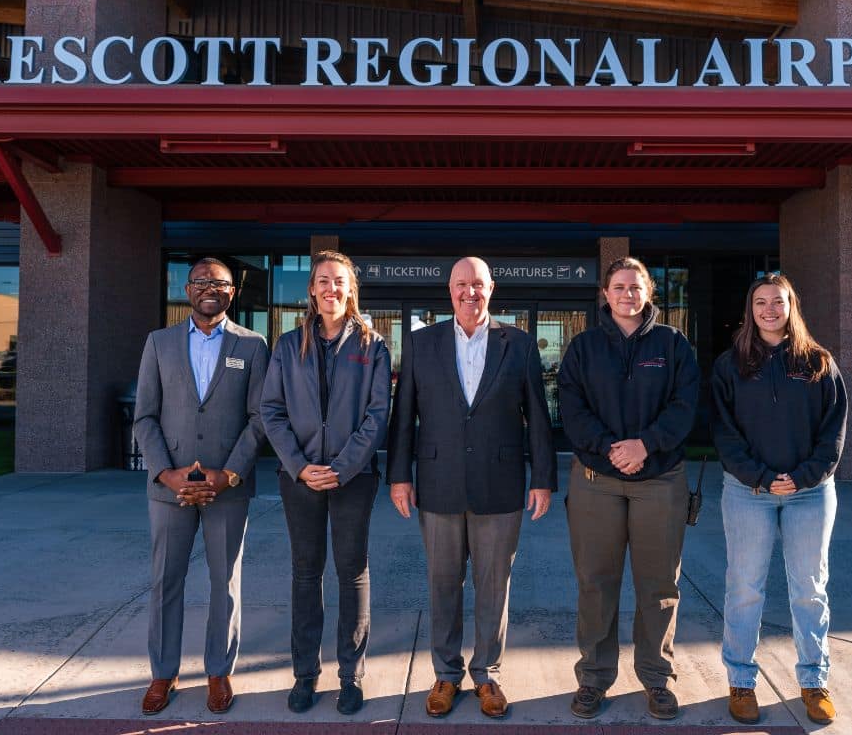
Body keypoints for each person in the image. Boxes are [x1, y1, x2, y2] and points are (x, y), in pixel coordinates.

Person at [387, 256, 557, 719]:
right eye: (461, 284)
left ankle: (486, 674)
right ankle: (446, 673)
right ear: (449, 290)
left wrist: (542, 478)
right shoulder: (422, 343)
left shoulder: (518, 344)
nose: (470, 292)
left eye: (478, 284)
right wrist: (399, 475)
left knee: (493, 585)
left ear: (491, 288)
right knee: (442, 584)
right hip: (438, 484)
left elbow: (538, 417)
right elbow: (403, 416)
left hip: (500, 486)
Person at [557, 256, 700, 721]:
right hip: (596, 481)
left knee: (659, 586)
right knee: (595, 583)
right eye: (618, 286)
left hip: (659, 480)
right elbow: (572, 408)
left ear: (648, 294)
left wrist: (646, 445)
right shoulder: (583, 347)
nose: (626, 294)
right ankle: (594, 679)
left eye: (635, 287)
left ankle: (657, 679)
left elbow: (685, 406)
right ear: (605, 293)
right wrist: (609, 448)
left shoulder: (673, 345)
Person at [133, 257, 269, 716]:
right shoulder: (159, 342)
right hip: (168, 488)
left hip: (227, 487)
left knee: (224, 583)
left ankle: (217, 671)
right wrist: (165, 473)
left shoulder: (252, 346)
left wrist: (229, 473)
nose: (211, 288)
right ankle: (163, 673)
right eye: (202, 281)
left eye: (221, 283)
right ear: (187, 289)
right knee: (165, 581)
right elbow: (145, 415)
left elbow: (260, 417)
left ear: (234, 292)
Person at [710, 272, 847, 726]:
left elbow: (833, 433)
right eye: (761, 302)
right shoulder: (731, 365)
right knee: (745, 588)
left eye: (778, 301)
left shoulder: (819, 362)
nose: (769, 309)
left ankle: (814, 681)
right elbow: (724, 434)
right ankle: (741, 681)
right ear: (750, 309)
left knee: (809, 590)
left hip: (811, 494)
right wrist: (764, 477)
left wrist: (803, 477)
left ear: (792, 306)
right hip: (749, 493)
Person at [260, 251, 391, 715]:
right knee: (305, 573)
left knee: (352, 572)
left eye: (339, 281)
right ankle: (305, 675)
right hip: (300, 480)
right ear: (312, 290)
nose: (331, 288)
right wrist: (299, 466)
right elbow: (270, 411)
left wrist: (343, 466)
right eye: (322, 281)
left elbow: (378, 416)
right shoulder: (287, 344)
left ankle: (351, 676)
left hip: (353, 478)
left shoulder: (373, 345)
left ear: (350, 289)